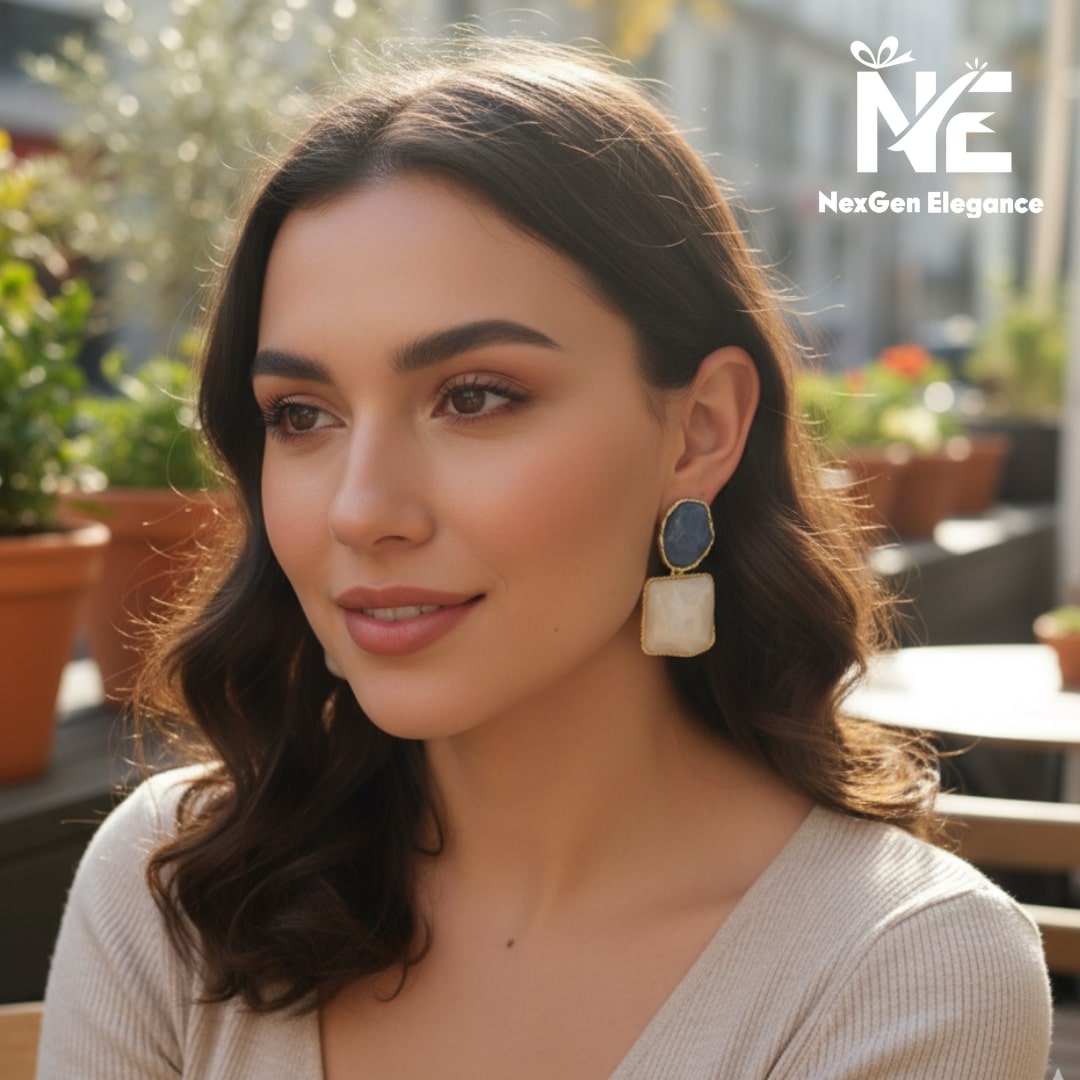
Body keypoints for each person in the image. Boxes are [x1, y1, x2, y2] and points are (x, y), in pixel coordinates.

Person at [37, 36, 1051, 1079]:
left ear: (700, 430)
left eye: (475, 396)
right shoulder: (179, 885)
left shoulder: (908, 976)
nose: (361, 509)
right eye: (302, 414)